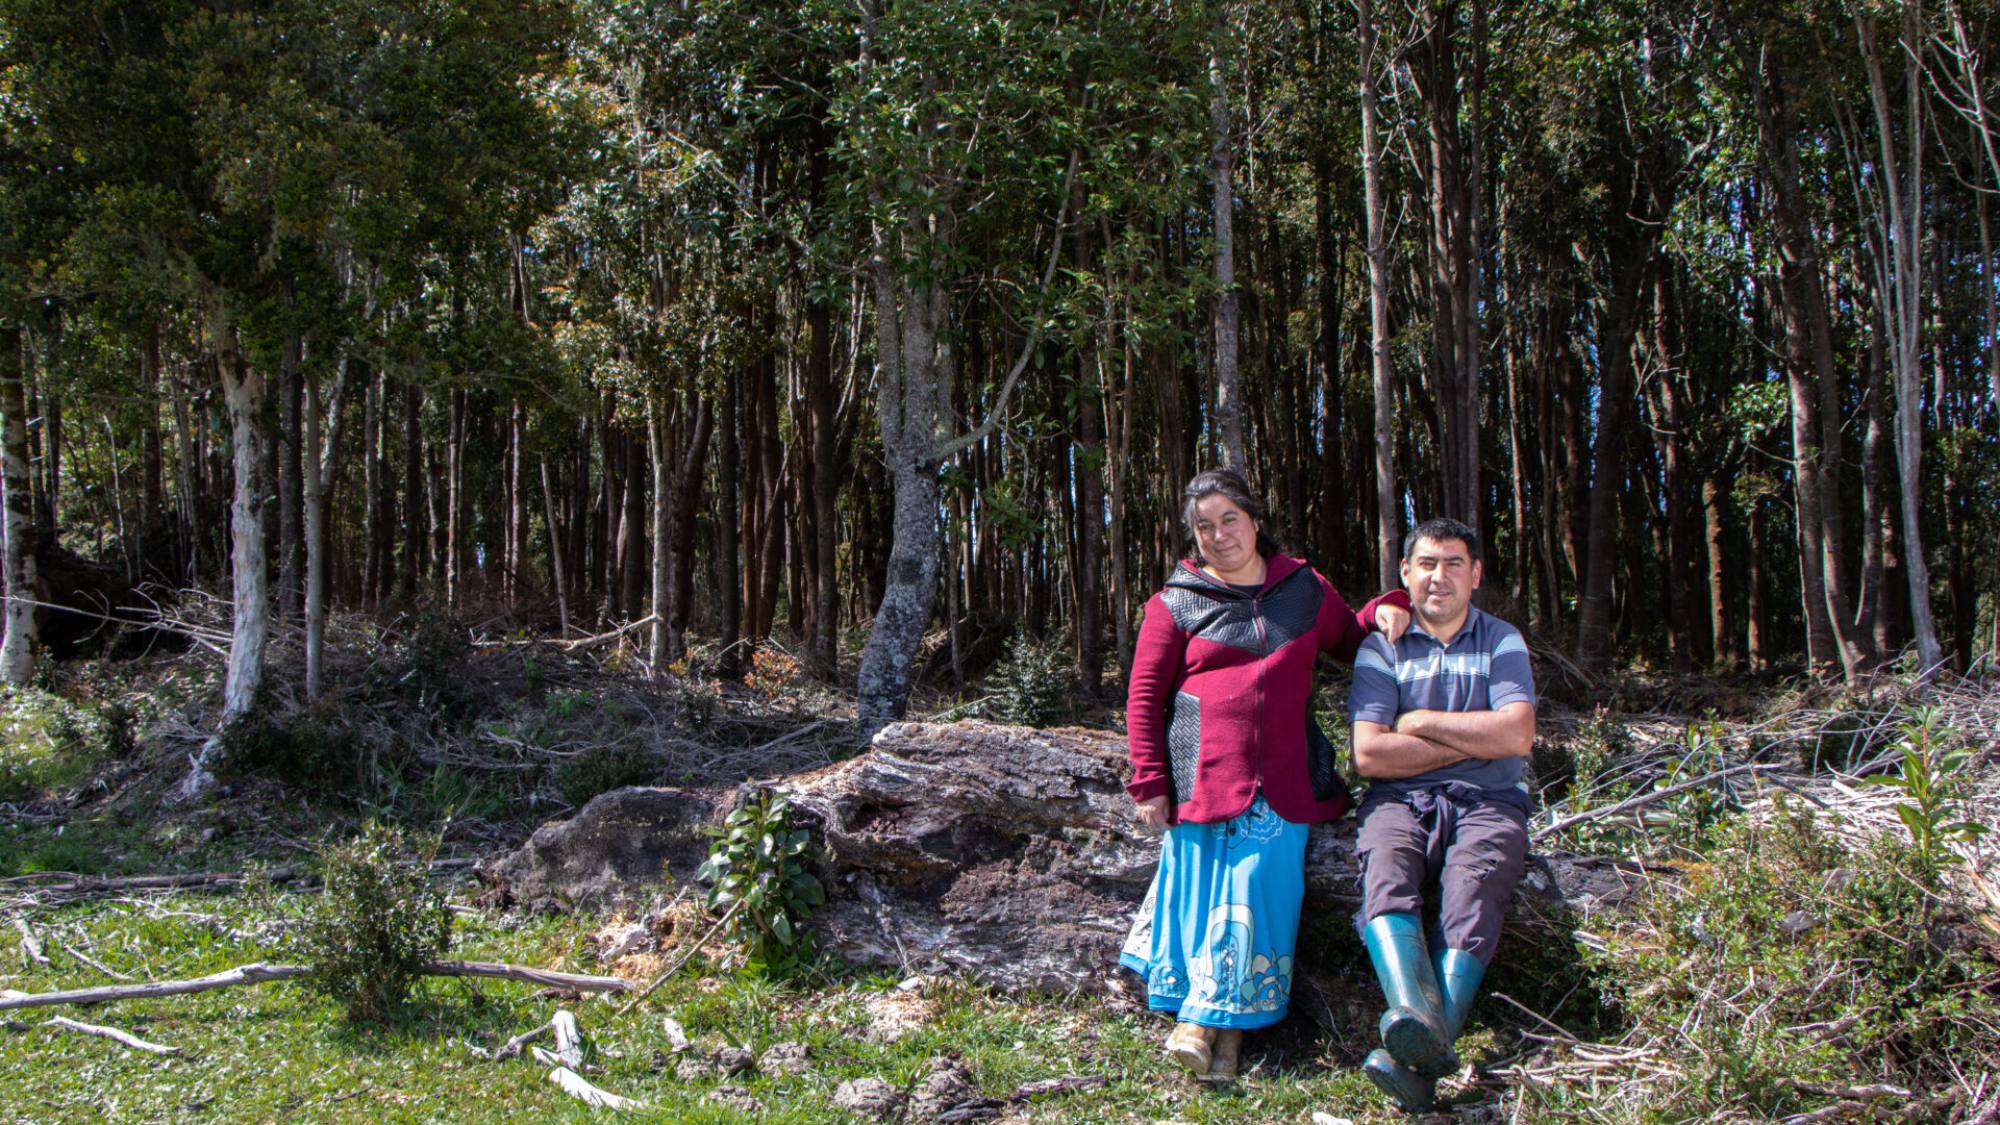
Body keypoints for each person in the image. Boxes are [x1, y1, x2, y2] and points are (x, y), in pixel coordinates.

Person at [1120, 468, 1411, 1081]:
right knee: (1202, 891)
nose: (1219, 535)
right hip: (1199, 771)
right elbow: (1145, 695)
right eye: (1204, 527)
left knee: (1257, 888)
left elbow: (1349, 638)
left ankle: (1200, 1027)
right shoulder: (1175, 600)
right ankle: (1219, 1042)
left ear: (1255, 520)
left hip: (1285, 775)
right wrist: (1149, 782)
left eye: (1229, 519)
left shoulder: (1302, 588)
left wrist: (1388, 609)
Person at [1346, 516, 1537, 1111]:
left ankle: (1414, 1060)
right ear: (1405, 574)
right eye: (1427, 563)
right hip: (1398, 801)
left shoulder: (1501, 639)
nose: (1440, 576)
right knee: (1384, 870)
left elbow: (1517, 733)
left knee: (1474, 890)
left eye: (1455, 563)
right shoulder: (1382, 646)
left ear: (1476, 575)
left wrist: (1422, 723)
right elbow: (1370, 752)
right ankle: (1421, 1034)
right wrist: (1477, 738)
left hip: (1491, 804)